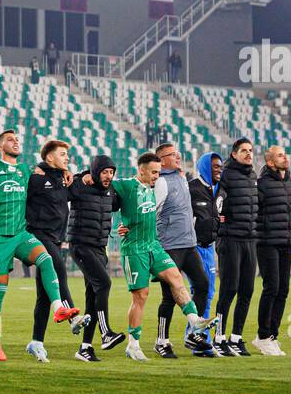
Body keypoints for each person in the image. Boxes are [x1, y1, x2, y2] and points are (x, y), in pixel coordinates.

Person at [90, 153, 213, 361]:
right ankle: (133, 344)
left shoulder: (153, 187)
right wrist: (85, 176)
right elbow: (104, 184)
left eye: (159, 172)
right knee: (141, 296)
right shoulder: (127, 186)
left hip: (153, 245)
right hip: (135, 249)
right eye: (154, 172)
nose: (157, 176)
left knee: (175, 276)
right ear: (142, 170)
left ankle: (194, 320)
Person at [0, 129, 78, 361]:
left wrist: (66, 170)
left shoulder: (27, 171)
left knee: (46, 259)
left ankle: (59, 308)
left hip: (21, 233)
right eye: (10, 140)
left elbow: (48, 174)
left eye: (17, 139)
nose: (15, 142)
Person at [24, 140, 87, 363]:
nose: (67, 158)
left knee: (44, 296)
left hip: (56, 238)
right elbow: (18, 195)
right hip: (37, 234)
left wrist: (74, 174)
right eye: (62, 154)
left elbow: (84, 181)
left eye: (67, 155)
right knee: (58, 268)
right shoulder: (36, 177)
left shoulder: (63, 179)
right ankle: (72, 317)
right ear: (49, 157)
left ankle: (36, 343)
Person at [150, 142, 212, 359]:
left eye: (177, 153)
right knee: (169, 297)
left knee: (203, 284)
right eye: (172, 154)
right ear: (162, 160)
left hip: (188, 244)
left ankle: (194, 333)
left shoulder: (181, 177)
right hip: (169, 246)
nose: (177, 156)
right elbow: (152, 213)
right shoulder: (161, 182)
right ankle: (161, 341)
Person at [68, 155, 124, 361]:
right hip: (81, 246)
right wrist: (81, 177)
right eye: (104, 172)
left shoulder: (111, 192)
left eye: (111, 172)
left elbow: (121, 205)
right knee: (104, 283)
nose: (108, 176)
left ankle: (85, 347)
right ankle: (106, 332)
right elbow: (67, 189)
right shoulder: (81, 185)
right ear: (95, 172)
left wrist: (124, 226)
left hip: (101, 247)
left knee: (92, 297)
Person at [213, 138, 259, 356]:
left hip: (250, 239)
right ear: (234, 154)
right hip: (230, 239)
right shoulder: (226, 175)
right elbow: (218, 205)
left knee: (247, 290)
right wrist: (220, 225)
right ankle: (219, 337)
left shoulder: (253, 176)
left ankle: (236, 338)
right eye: (244, 151)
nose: (248, 154)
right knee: (228, 289)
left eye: (250, 150)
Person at [253, 146, 291, 356]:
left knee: (283, 290)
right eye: (280, 155)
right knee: (271, 287)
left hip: (286, 242)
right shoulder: (261, 184)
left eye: (285, 154)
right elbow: (254, 212)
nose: (285, 157)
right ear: (270, 162)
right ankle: (262, 336)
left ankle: (272, 336)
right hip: (267, 241)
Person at [189, 153, 222, 324]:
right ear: (204, 167)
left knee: (208, 292)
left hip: (209, 247)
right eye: (215, 166)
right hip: (193, 247)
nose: (219, 170)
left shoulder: (219, 189)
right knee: (199, 289)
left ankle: (199, 336)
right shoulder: (191, 188)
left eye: (220, 166)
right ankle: (195, 335)